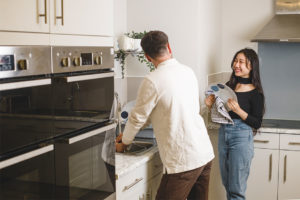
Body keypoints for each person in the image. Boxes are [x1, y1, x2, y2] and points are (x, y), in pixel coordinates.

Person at [116, 30, 214, 200]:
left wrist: (124, 142)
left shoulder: (152, 80)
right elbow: (152, 114)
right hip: (204, 153)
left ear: (147, 57)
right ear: (169, 47)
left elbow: (137, 117)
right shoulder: (188, 71)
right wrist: (126, 136)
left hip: (184, 160)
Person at [205, 48, 265, 200]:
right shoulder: (228, 86)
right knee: (228, 184)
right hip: (224, 133)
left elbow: (257, 123)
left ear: (251, 66)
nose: (236, 65)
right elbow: (221, 110)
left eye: (241, 62)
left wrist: (239, 111)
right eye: (235, 61)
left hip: (241, 137)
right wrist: (209, 104)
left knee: (236, 189)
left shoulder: (256, 93)